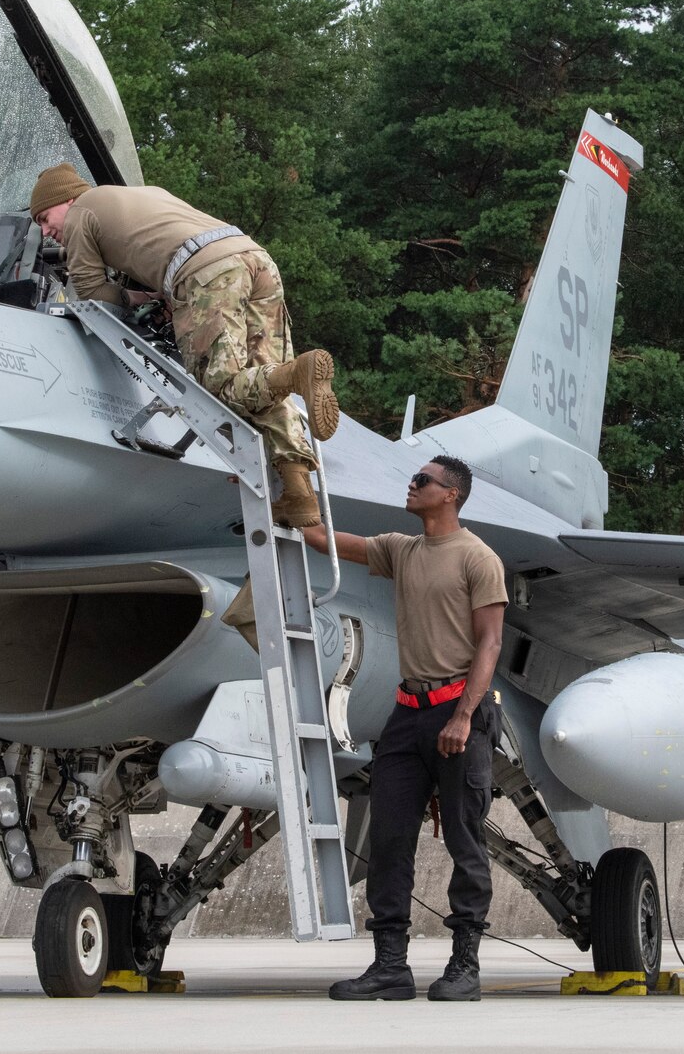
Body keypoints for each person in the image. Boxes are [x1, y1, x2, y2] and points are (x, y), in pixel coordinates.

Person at [29, 163, 339, 526]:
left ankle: (296, 374)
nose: (47, 232)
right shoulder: (143, 196)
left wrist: (137, 297)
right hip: (256, 260)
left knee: (219, 388)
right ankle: (298, 493)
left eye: (45, 218)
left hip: (208, 272)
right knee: (260, 382)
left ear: (68, 198)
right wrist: (161, 295)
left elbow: (91, 291)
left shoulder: (82, 213)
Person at [304, 456, 507, 1002]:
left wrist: (465, 716)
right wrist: (276, 486)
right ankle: (390, 966)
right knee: (389, 841)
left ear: (451, 495)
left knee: (466, 841)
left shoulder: (479, 559)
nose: (411, 485)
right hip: (406, 714)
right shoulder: (402, 548)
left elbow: (490, 642)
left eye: (423, 481)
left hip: (458, 712)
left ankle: (465, 966)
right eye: (413, 479)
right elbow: (324, 539)